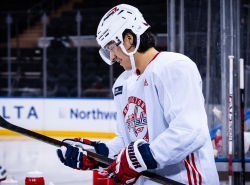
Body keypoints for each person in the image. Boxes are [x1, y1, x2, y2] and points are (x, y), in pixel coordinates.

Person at [57, 4, 220, 185]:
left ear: (129, 38)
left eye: (111, 47)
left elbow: (189, 131)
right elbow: (127, 142)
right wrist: (97, 153)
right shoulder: (121, 84)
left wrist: (142, 156)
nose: (112, 57)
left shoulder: (173, 66)